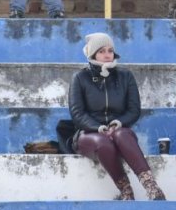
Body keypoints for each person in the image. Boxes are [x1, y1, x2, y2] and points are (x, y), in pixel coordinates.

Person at [67, 33, 166, 200]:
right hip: (88, 133)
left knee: (122, 134)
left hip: (118, 130)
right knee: (103, 142)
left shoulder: (125, 76)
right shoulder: (80, 78)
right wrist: (98, 128)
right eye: (101, 51)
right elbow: (77, 114)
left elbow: (134, 110)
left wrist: (119, 123)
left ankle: (152, 187)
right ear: (92, 54)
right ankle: (126, 190)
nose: (107, 55)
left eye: (110, 50)